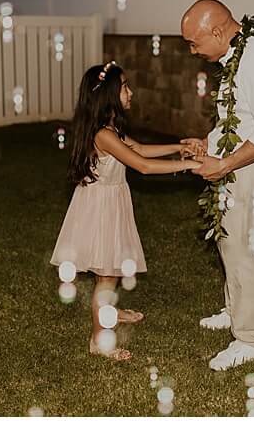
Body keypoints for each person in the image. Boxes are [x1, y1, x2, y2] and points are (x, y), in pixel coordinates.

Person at [51, 61, 202, 361]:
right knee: (106, 277)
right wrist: (188, 166)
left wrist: (178, 147)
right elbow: (142, 166)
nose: (131, 92)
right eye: (125, 88)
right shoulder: (103, 135)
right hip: (101, 209)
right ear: (109, 95)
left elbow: (142, 149)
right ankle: (99, 342)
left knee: (109, 268)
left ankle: (110, 312)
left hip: (109, 203)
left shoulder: (110, 128)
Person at [180, 0, 254, 371]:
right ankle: (234, 311)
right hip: (237, 166)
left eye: (194, 43)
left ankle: (251, 339)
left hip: (253, 170)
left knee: (244, 252)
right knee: (229, 245)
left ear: (217, 31)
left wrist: (224, 164)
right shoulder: (236, 57)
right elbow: (239, 119)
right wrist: (209, 144)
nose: (192, 51)